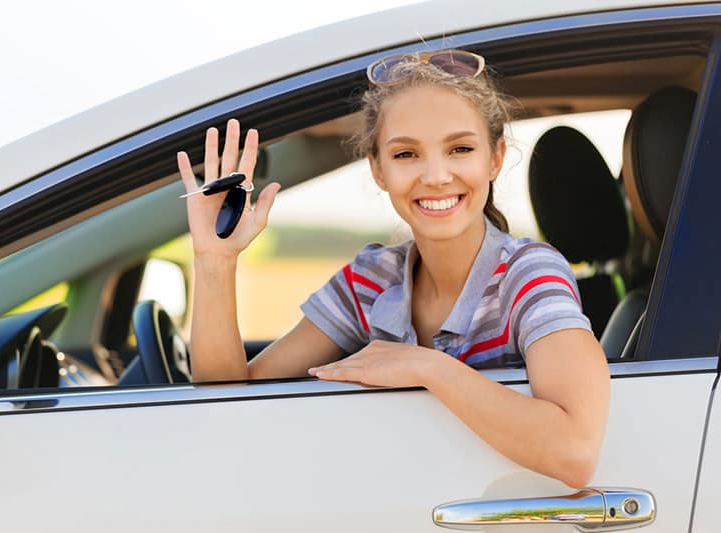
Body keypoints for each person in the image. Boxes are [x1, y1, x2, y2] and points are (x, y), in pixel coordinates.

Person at [176, 49, 609, 489]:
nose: (437, 176)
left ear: (495, 158)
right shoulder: (372, 278)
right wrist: (216, 260)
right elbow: (228, 402)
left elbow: (574, 453)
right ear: (377, 169)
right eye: (406, 155)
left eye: (460, 149)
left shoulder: (529, 275)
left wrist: (428, 368)